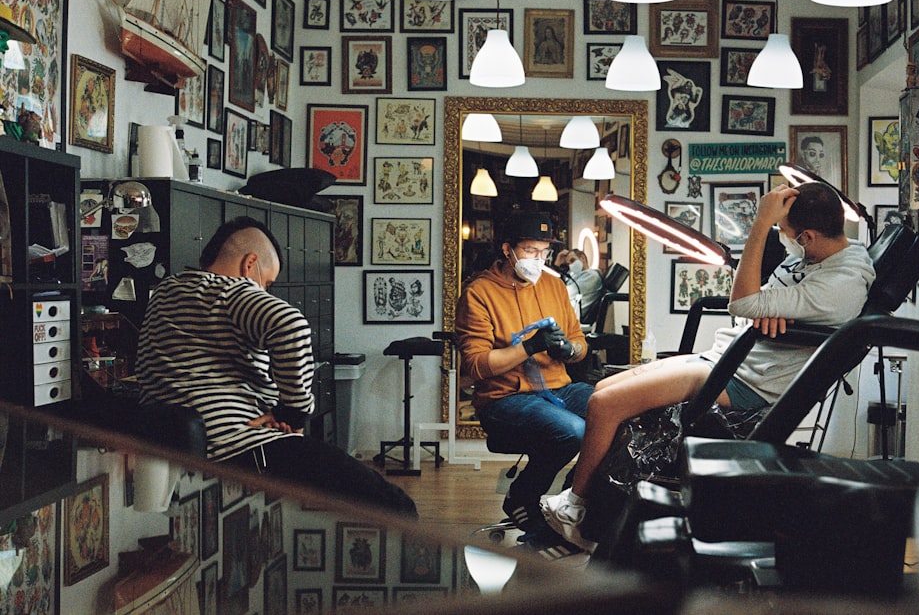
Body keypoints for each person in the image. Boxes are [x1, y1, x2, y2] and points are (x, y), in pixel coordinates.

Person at [541, 183, 876, 552]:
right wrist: (767, 308)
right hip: (731, 358)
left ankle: (577, 509)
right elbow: (756, 303)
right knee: (602, 390)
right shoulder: (822, 256)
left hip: (745, 379)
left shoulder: (839, 285)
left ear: (807, 236)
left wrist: (760, 224)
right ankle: (596, 504)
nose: (783, 241)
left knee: (603, 406)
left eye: (784, 233)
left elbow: (743, 302)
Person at [137, 217, 416, 517]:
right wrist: (292, 411)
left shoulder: (166, 292)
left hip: (184, 456)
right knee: (395, 505)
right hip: (243, 446)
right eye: (267, 283)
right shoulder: (229, 290)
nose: (266, 292)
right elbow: (290, 324)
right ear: (250, 264)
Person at [455, 212, 594, 558]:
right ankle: (523, 497)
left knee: (614, 411)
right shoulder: (479, 294)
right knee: (572, 431)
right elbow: (474, 366)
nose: (538, 260)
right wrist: (528, 347)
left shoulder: (553, 285)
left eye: (544, 252)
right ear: (508, 250)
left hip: (558, 389)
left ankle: (569, 503)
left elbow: (579, 344)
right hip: (505, 399)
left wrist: (569, 349)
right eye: (530, 250)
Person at [554, 248, 605, 327]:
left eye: (572, 260)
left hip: (571, 317)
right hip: (563, 312)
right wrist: (557, 264)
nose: (571, 265)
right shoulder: (575, 275)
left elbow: (563, 294)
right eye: (568, 264)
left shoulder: (591, 276)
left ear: (583, 258)